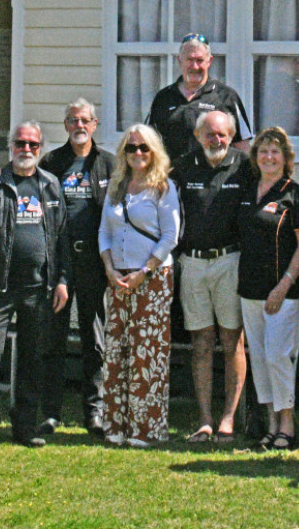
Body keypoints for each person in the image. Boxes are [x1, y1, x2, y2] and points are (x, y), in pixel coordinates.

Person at [0, 121, 70, 449]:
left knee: (33, 359)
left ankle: (24, 425)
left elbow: (62, 237)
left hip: (39, 289)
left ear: (41, 148)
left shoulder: (51, 186)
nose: (26, 150)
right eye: (20, 144)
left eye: (33, 145)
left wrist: (62, 280)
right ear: (10, 147)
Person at [171, 110, 251, 444]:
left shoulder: (246, 165)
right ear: (198, 136)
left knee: (233, 341)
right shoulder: (184, 166)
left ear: (232, 136)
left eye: (222, 134)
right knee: (201, 343)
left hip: (230, 260)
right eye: (209, 134)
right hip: (193, 263)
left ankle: (229, 419)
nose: (216, 140)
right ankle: (204, 419)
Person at [98, 124, 180, 447]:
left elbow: (170, 236)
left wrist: (145, 271)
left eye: (143, 148)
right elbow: (104, 230)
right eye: (131, 148)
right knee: (117, 350)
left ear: (153, 151)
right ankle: (116, 426)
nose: (138, 154)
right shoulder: (117, 186)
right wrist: (108, 266)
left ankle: (146, 429)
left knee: (148, 355)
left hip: (152, 277)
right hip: (118, 277)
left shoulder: (162, 188)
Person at [38, 99, 115, 438]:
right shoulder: (51, 163)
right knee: (54, 338)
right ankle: (50, 411)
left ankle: (94, 412)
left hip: (95, 263)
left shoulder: (109, 164)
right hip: (59, 264)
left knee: (93, 339)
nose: (79, 126)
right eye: (72, 120)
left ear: (94, 124)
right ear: (66, 124)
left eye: (85, 120)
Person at [237, 128, 299, 451]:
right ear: (256, 157)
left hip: (283, 293)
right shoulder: (245, 190)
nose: (269, 157)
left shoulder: (294, 195)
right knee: (260, 358)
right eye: (264, 151)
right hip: (249, 290)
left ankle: (288, 425)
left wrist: (283, 286)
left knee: (278, 356)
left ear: (286, 158)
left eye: (275, 152)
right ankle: (271, 424)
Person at [147, 33, 252, 161]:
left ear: (209, 61)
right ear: (180, 60)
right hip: (170, 178)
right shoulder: (164, 97)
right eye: (190, 60)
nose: (195, 66)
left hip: (213, 178)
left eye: (199, 60)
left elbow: (243, 147)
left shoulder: (227, 97)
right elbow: (150, 143)